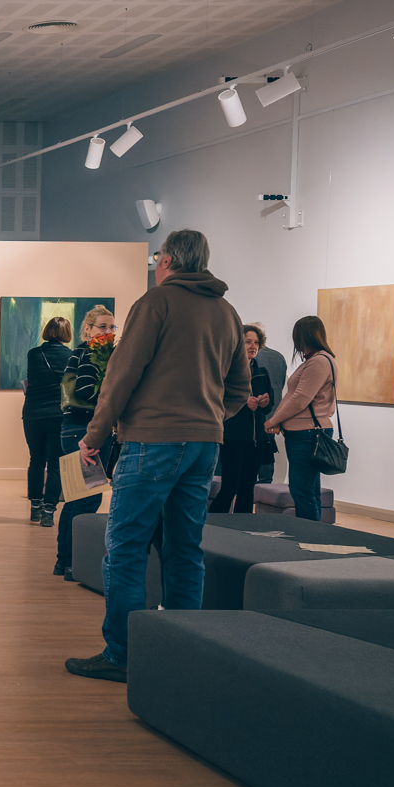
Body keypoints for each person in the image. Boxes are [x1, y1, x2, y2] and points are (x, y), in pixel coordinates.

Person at [66, 229, 251, 682]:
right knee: (185, 549)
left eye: (157, 258)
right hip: (204, 446)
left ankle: (123, 654)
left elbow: (122, 374)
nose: (155, 265)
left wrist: (95, 433)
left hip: (152, 441)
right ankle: (180, 650)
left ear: (167, 260)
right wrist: (209, 417)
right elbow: (239, 389)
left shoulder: (156, 303)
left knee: (126, 548)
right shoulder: (227, 312)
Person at [52, 305, 116, 579]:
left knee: (76, 499)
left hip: (73, 429)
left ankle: (64, 562)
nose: (108, 332)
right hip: (86, 431)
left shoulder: (79, 352)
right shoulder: (92, 352)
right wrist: (115, 399)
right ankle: (72, 564)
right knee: (87, 500)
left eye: (112, 327)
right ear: (88, 329)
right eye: (102, 326)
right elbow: (87, 389)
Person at [265, 316, 338, 522]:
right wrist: (279, 420)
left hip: (307, 432)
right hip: (307, 431)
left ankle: (308, 534)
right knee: (308, 488)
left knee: (302, 489)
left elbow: (300, 399)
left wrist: (273, 420)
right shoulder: (317, 360)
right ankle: (313, 532)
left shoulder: (319, 362)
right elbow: (295, 397)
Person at [209, 325, 275, 514]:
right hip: (233, 437)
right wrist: (244, 401)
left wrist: (266, 402)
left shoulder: (262, 372)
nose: (253, 346)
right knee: (229, 488)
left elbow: (269, 406)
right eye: (248, 342)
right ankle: (213, 525)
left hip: (257, 439)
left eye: (256, 342)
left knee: (247, 490)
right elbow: (217, 400)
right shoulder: (227, 370)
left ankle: (242, 529)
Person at [22, 317, 73, 527]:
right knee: (55, 464)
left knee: (36, 460)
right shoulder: (71, 356)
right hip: (58, 416)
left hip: (32, 414)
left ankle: (35, 507)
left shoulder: (33, 354)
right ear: (66, 333)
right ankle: (49, 512)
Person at [247, 321, 287, 483]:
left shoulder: (253, 361)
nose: (252, 346)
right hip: (272, 414)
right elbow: (280, 386)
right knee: (266, 458)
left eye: (255, 341)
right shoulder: (279, 358)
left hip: (254, 418)